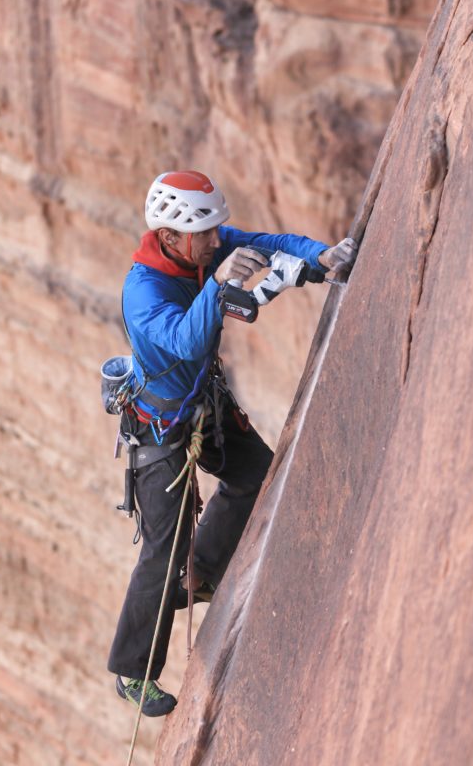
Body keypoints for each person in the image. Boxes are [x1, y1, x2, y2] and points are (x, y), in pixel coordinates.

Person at [109, 170, 357, 716]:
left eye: (218, 230)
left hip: (202, 407)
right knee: (161, 548)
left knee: (255, 476)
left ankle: (200, 578)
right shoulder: (144, 290)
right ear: (173, 236)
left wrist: (321, 258)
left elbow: (269, 245)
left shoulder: (202, 249)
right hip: (161, 429)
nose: (219, 239)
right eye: (207, 233)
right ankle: (133, 670)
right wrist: (220, 285)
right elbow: (183, 340)